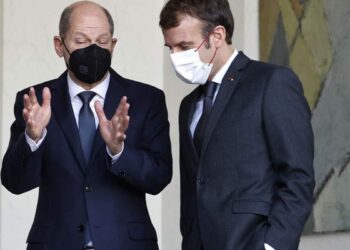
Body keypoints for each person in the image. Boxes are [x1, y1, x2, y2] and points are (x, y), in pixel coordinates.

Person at [1, 1, 172, 250]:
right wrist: (32, 138)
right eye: (81, 41)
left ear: (113, 45)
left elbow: (159, 178)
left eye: (102, 42)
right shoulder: (34, 100)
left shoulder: (146, 99)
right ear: (60, 46)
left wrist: (119, 153)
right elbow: (15, 182)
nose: (93, 50)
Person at [159, 0, 314, 250]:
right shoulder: (188, 105)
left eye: (184, 46)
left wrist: (273, 245)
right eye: (170, 47)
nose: (175, 57)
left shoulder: (272, 82)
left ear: (217, 35)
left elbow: (298, 176)